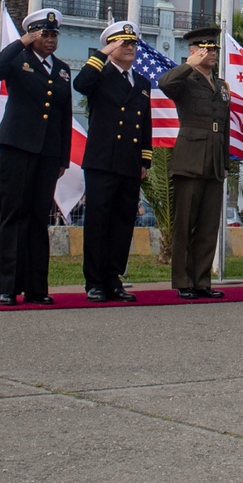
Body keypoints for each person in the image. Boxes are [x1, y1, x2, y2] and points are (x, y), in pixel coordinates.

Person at [0, 8, 72, 307]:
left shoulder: (61, 69)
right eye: (44, 34)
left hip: (47, 153)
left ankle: (36, 287)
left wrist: (63, 157)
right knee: (14, 215)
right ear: (32, 35)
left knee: (38, 219)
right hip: (17, 147)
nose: (50, 40)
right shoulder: (17, 60)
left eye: (54, 34)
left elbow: (64, 115)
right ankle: (8, 286)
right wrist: (20, 43)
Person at [74, 21, 153, 303]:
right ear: (112, 46)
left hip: (130, 163)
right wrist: (102, 53)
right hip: (102, 160)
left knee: (122, 223)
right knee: (98, 223)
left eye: (133, 43)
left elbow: (145, 124)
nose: (130, 48)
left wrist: (145, 160)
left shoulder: (142, 83)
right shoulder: (100, 74)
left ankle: (113, 278)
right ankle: (94, 281)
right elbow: (80, 84)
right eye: (124, 43)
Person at [159, 26, 231, 300]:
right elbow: (164, 84)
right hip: (190, 157)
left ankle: (202, 280)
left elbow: (223, 126)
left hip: (213, 158)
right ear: (193, 51)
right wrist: (189, 64)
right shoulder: (185, 80)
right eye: (205, 49)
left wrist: (224, 161)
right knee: (185, 222)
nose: (211, 53)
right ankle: (183, 281)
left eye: (213, 49)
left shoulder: (222, 85)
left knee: (208, 224)